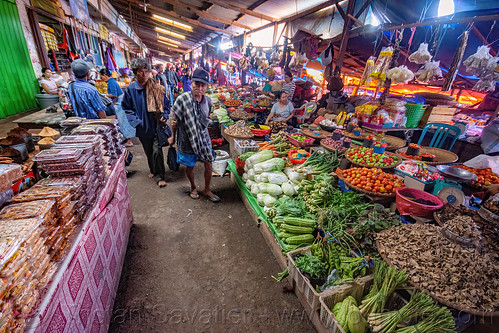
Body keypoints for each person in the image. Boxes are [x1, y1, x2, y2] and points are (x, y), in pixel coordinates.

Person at [168, 68, 220, 202]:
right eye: (197, 84)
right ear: (192, 83)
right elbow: (175, 122)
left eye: (203, 85)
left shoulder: (208, 101)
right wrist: (173, 137)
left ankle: (207, 189)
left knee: (209, 163)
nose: (200, 88)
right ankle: (193, 187)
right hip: (187, 139)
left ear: (207, 87)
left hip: (203, 139)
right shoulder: (182, 99)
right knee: (190, 165)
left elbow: (205, 119)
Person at [123, 58, 170, 188]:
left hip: (156, 124)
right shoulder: (131, 89)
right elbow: (126, 107)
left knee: (157, 151)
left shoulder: (156, 88)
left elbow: (166, 106)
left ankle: (160, 176)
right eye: (140, 72)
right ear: (135, 73)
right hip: (142, 126)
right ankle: (153, 170)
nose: (144, 75)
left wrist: (164, 115)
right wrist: (135, 121)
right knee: (148, 151)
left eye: (146, 71)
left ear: (150, 72)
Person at [100, 69, 135, 146]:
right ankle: (126, 139)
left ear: (105, 75)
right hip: (120, 102)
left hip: (120, 103)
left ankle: (129, 141)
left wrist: (104, 95)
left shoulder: (111, 82)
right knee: (122, 121)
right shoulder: (111, 81)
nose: (101, 78)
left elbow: (114, 94)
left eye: (101, 76)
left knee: (123, 121)